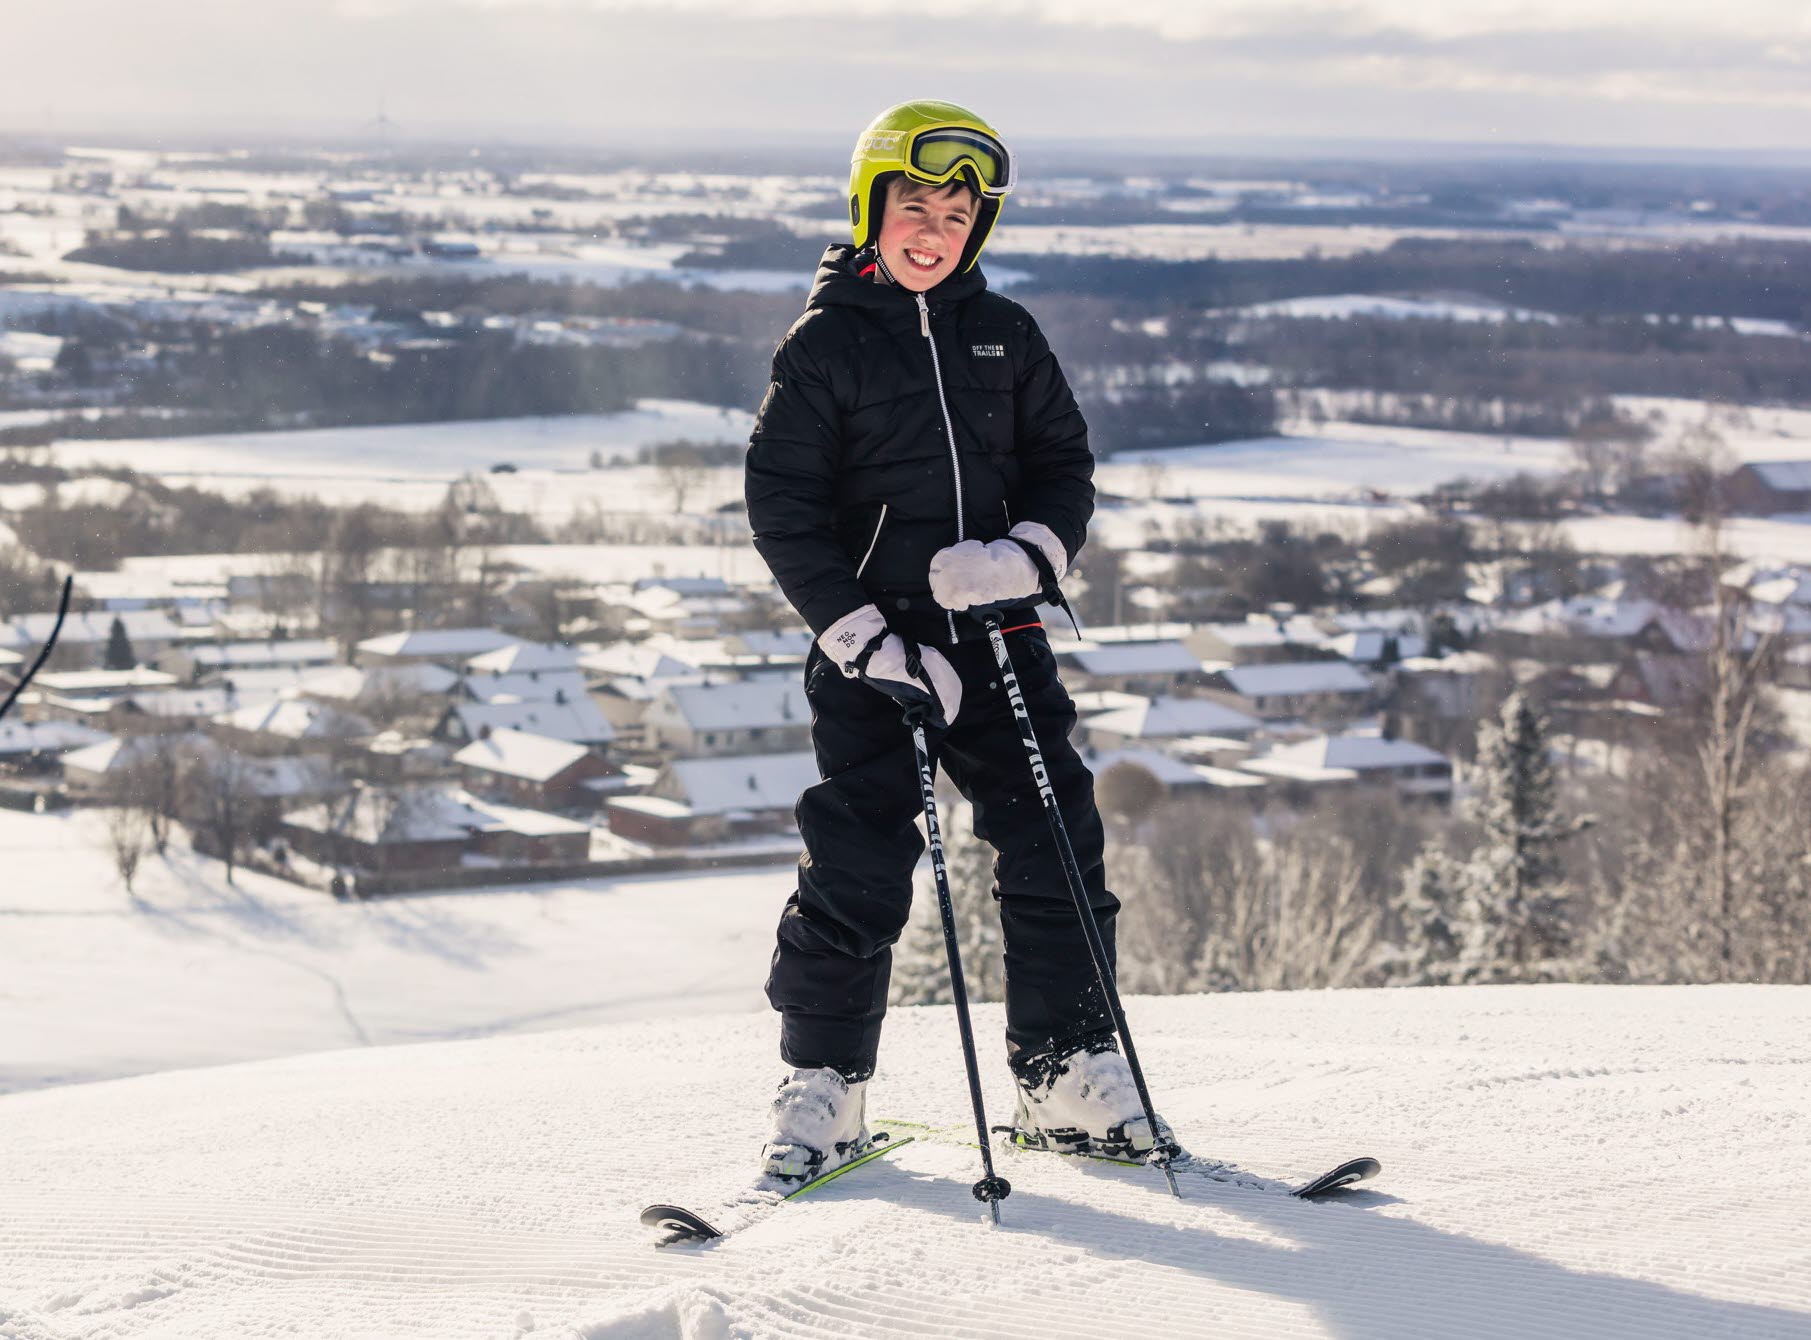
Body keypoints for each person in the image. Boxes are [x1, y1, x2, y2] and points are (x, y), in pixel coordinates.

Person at [744, 99, 1161, 1185]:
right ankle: (824, 1082)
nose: (933, 228)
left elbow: (1063, 466)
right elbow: (783, 505)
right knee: (859, 856)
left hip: (998, 632)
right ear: (870, 207)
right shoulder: (825, 344)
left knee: (1053, 840)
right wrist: (867, 641)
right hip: (875, 648)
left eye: (957, 211)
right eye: (913, 204)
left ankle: (1066, 1067)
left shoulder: (1003, 334)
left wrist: (1027, 555)